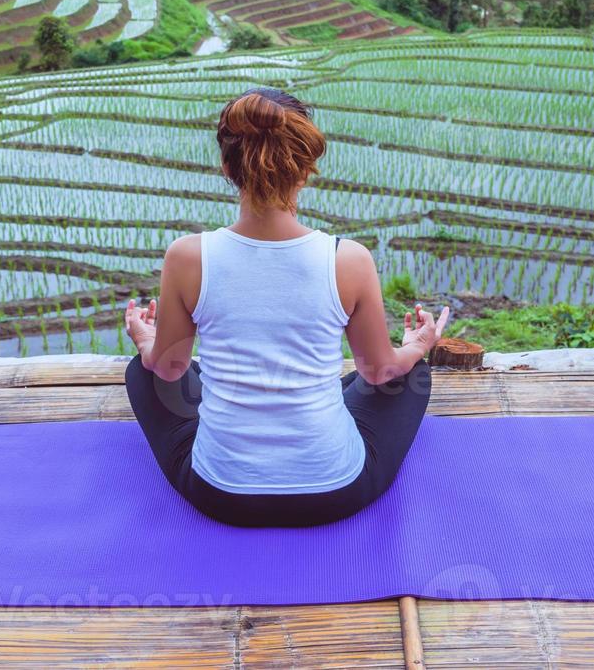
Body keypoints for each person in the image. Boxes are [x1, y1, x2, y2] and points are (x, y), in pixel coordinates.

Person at [123, 86, 448, 527]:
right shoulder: (348, 259)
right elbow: (378, 372)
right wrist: (418, 345)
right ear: (305, 169)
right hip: (334, 490)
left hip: (221, 493)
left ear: (226, 167)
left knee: (142, 372)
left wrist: (145, 340)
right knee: (410, 376)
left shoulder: (187, 256)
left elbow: (169, 369)